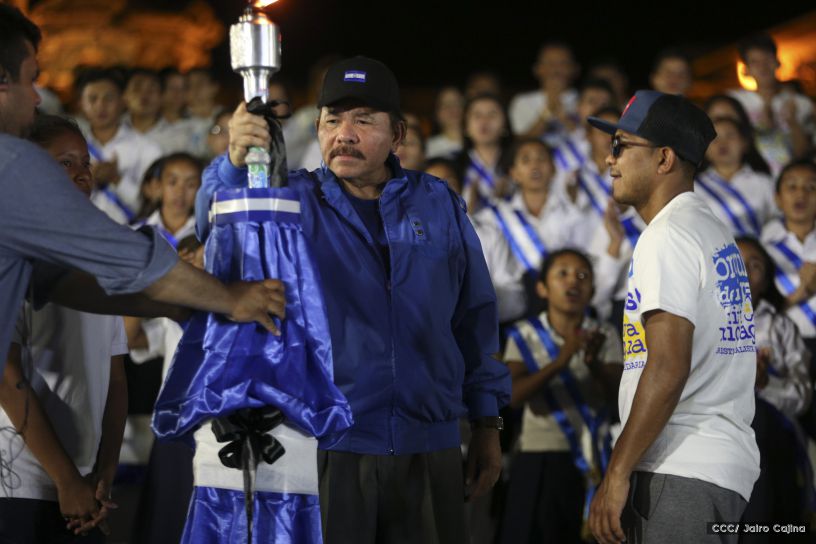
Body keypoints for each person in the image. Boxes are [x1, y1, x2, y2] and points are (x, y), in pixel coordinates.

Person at [197, 55, 511, 543]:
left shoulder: (437, 203)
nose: (344, 134)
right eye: (332, 121)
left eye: (363, 120)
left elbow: (474, 319)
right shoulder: (290, 200)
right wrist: (234, 164)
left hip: (431, 444)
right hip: (326, 445)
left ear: (398, 134)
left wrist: (487, 423)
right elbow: (218, 228)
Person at [0, 4, 286, 376]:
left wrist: (178, 304)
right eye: (30, 80)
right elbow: (123, 257)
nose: (37, 97)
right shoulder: (12, 164)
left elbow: (59, 281)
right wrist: (230, 298)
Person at [586, 90, 760, 544]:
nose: (609, 159)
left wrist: (617, 472)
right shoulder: (710, 228)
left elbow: (667, 366)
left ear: (664, 158)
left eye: (621, 146)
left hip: (678, 467)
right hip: (713, 468)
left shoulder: (668, 235)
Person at [0, 114, 126, 543]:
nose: (83, 173)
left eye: (85, 163)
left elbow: (115, 376)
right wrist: (65, 478)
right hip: (22, 484)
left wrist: (104, 470)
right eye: (65, 163)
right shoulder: (11, 249)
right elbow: (6, 375)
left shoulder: (100, 255)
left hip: (85, 486)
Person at [501, 249, 622, 544]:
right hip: (539, 458)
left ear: (592, 290)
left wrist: (594, 365)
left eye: (582, 275)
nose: (573, 281)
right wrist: (561, 360)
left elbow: (618, 398)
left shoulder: (603, 334)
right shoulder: (524, 334)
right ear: (542, 288)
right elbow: (513, 396)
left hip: (595, 459)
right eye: (562, 273)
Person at [736, 236, 812, 536]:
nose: (743, 271)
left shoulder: (781, 327)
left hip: (770, 434)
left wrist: (765, 383)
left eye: (754, 265)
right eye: (735, 262)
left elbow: (802, 396)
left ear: (766, 281)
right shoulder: (695, 320)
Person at [473, 137, 583, 322]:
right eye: (526, 160)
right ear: (514, 173)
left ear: (553, 168)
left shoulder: (572, 212)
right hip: (515, 311)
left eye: (541, 158)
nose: (535, 165)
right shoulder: (494, 217)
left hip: (568, 304)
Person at [76, 67, 163, 222]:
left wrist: (117, 179)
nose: (100, 105)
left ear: (123, 102)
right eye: (92, 99)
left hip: (128, 233)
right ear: (81, 104)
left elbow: (153, 207)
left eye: (108, 98)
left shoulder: (148, 149)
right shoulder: (71, 148)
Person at [729, 33, 814, 173]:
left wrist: (792, 122)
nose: (763, 67)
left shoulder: (801, 104)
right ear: (745, 70)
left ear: (778, 62)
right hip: (752, 178)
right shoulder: (735, 103)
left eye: (767, 59)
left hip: (789, 179)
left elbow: (805, 153)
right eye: (755, 62)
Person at [696, 116, 776, 237]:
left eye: (730, 136)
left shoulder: (764, 182)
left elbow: (777, 220)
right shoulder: (695, 186)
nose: (722, 143)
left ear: (744, 143)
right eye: (714, 138)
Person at [509, 41, 580, 146]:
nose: (556, 70)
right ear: (537, 69)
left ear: (574, 69)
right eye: (550, 63)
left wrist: (564, 118)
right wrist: (547, 112)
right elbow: (520, 142)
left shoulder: (584, 100)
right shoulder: (522, 102)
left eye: (563, 63)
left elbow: (590, 139)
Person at [426, 86, 465, 159]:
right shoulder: (428, 148)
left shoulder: (479, 142)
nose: (452, 109)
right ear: (436, 113)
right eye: (445, 105)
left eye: (457, 103)